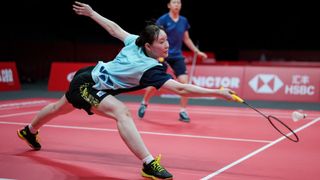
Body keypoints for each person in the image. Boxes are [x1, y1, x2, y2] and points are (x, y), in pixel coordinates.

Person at [16, 1, 236, 179]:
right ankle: (148, 164)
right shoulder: (147, 63)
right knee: (121, 112)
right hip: (87, 83)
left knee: (59, 108)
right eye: (162, 42)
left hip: (91, 77)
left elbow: (114, 29)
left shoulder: (139, 48)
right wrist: (217, 92)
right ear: (148, 46)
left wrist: (92, 13)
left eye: (167, 40)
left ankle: (29, 131)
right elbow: (180, 88)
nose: (167, 45)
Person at [138, 0, 208, 122]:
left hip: (177, 56)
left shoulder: (183, 21)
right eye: (174, 2)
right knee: (156, 84)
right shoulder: (163, 20)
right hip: (162, 55)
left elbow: (186, 39)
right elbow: (154, 38)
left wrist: (197, 51)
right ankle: (144, 102)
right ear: (169, 5)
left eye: (179, 3)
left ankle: (183, 111)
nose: (177, 5)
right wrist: (155, 55)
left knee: (184, 83)